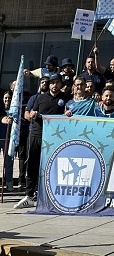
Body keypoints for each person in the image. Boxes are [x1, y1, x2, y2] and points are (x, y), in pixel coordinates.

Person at [15, 74, 71, 209]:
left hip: (55, 138)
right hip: (37, 135)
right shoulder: (39, 98)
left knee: (53, 167)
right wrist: (32, 115)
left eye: (57, 82)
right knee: (32, 165)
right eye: (52, 82)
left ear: (61, 84)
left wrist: (67, 113)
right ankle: (29, 195)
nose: (54, 85)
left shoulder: (65, 98)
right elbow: (29, 114)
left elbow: (69, 112)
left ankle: (49, 195)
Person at [0, 91, 14, 191]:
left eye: (9, 98)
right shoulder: (0, 109)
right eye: (5, 98)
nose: (7, 100)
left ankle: (9, 183)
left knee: (8, 163)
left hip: (8, 139)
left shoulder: (14, 110)